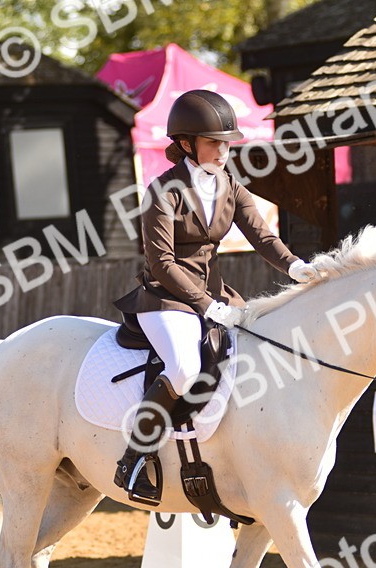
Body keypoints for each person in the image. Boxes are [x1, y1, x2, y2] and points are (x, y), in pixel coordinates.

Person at [112, 89, 319, 504]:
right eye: (214, 142)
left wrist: (298, 267)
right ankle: (134, 457)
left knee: (261, 349)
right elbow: (162, 262)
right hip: (166, 297)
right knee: (186, 368)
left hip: (216, 293)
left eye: (227, 143)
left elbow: (263, 236)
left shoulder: (229, 185)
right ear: (187, 144)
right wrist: (208, 307)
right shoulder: (163, 191)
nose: (223, 151)